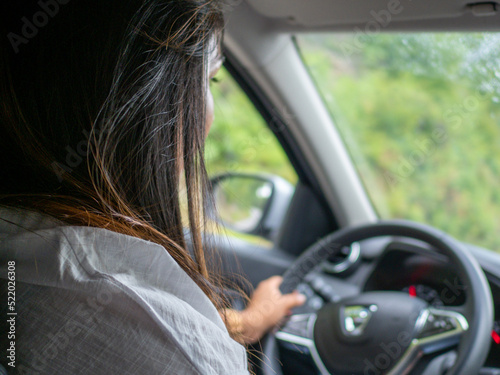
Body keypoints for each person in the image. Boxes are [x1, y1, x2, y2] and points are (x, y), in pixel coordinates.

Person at [0, 0, 305, 374]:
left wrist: (247, 322)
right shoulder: (154, 329)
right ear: (137, 108)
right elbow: (159, 340)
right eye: (209, 79)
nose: (206, 121)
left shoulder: (25, 253)